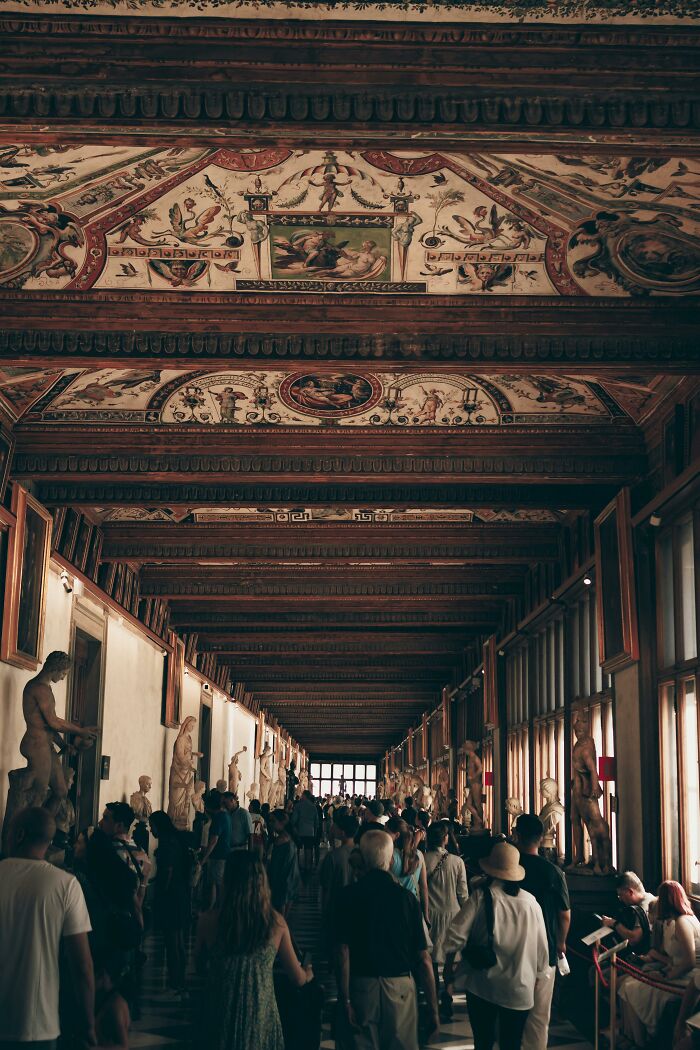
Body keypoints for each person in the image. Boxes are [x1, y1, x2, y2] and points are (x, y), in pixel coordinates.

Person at [334, 829, 440, 1050]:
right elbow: (423, 958)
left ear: (362, 859)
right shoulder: (407, 900)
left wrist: (344, 1001)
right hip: (399, 988)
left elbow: (343, 951)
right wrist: (432, 1008)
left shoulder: (347, 896)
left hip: (362, 986)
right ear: (391, 861)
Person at [0, 807, 95, 1049]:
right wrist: (88, 1024)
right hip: (37, 1023)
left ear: (19, 834)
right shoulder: (65, 885)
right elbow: (82, 965)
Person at [197, 852, 313, 1050]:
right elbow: (297, 978)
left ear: (227, 880)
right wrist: (309, 972)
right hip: (260, 1011)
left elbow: (199, 967)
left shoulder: (207, 921)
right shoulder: (276, 923)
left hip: (220, 1007)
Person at [444, 840, 549, 1050]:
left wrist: (451, 963)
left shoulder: (481, 897)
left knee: (483, 1042)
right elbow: (542, 952)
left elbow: (453, 936)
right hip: (520, 988)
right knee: (511, 1044)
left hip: (484, 985)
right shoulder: (531, 903)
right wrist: (538, 977)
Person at [514, 814, 571, 1050]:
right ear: (540, 838)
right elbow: (564, 914)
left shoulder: (511, 868)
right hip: (544, 948)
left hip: (513, 947)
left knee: (510, 1012)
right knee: (539, 1017)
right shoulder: (553, 872)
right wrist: (561, 943)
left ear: (517, 835)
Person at [619, 880, 700, 1044]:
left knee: (629, 987)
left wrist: (664, 975)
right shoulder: (684, 919)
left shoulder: (683, 922)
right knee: (628, 986)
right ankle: (635, 1038)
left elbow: (689, 962)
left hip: (689, 977)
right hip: (680, 972)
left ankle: (640, 1041)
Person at [424, 821, 469, 1020]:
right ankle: (448, 994)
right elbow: (463, 894)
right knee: (451, 960)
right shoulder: (456, 862)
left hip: (430, 915)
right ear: (445, 838)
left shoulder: (422, 859)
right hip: (453, 914)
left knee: (431, 960)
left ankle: (432, 996)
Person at [149, 810, 192, 1000]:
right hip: (181, 893)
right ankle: (180, 983)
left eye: (152, 826)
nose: (151, 829)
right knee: (179, 942)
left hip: (171, 897)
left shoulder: (167, 843)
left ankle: (176, 984)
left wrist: (160, 896)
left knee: (172, 942)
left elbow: (167, 871)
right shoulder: (178, 839)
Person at [600, 870, 656, 955]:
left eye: (621, 895)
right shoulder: (649, 898)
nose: (620, 899)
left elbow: (634, 939)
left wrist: (614, 923)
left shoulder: (644, 907)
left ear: (630, 892)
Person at [386, 815, 429, 925]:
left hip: (393, 907)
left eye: (386, 831)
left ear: (396, 835)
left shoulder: (389, 856)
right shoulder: (418, 855)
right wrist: (426, 914)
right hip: (414, 907)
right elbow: (423, 887)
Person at [199, 789, 231, 908]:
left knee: (217, 883)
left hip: (218, 855)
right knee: (215, 883)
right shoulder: (225, 815)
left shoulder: (218, 818)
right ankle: (214, 907)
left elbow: (213, 841)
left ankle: (217, 908)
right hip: (222, 854)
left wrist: (204, 858)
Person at [268, 809, 301, 917]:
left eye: (273, 821)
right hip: (291, 878)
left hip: (282, 880)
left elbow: (276, 865)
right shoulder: (289, 837)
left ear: (281, 822)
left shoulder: (281, 841)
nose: (270, 824)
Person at [291, 789, 319, 872]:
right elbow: (316, 822)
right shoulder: (313, 806)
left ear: (304, 796)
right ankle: (308, 867)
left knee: (298, 850)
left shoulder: (298, 806)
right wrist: (315, 833)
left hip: (300, 831)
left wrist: (294, 828)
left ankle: (298, 867)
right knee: (309, 850)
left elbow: (293, 820)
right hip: (310, 832)